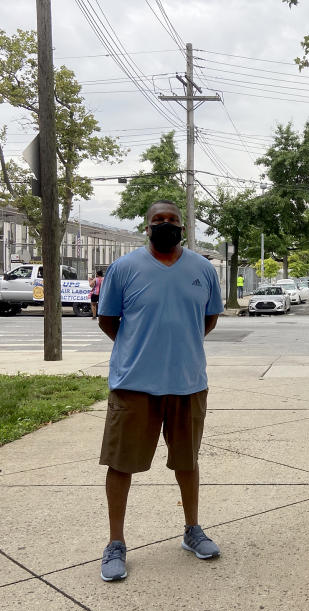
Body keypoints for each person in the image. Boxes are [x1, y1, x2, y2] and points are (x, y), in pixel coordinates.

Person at [97, 200, 224, 582]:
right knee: (120, 464)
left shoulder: (203, 269)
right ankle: (115, 543)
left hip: (188, 384)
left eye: (172, 221)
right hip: (134, 385)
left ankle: (192, 530)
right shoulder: (124, 269)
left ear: (182, 227)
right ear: (147, 226)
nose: (165, 225)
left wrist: (178, 349)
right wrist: (141, 350)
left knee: (187, 462)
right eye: (158, 220)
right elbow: (107, 320)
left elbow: (210, 318)